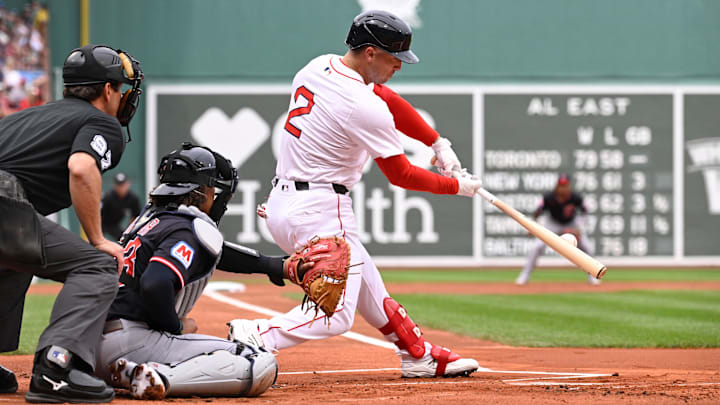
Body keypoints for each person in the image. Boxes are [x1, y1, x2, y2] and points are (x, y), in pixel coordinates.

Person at [228, 10, 483, 378]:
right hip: (321, 209)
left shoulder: (319, 66)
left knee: (365, 280)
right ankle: (259, 336)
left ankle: (417, 354)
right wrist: (456, 186)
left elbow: (387, 98)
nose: (400, 65)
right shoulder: (362, 107)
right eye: (394, 57)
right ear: (370, 53)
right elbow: (401, 174)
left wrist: (436, 142)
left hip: (286, 204)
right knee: (337, 314)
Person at [96, 143, 312, 399]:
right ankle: (157, 376)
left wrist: (275, 266)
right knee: (258, 361)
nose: (216, 196)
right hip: (132, 341)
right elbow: (156, 283)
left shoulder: (149, 219)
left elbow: (213, 248)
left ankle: (130, 372)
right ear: (201, 191)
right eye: (212, 188)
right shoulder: (186, 228)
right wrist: (174, 326)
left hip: (92, 344)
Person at [0, 44, 143, 403]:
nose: (123, 97)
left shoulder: (26, 118)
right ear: (107, 90)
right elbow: (81, 167)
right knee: (98, 267)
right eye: (121, 89)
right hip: (4, 204)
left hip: (10, 210)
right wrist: (97, 239)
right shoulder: (101, 122)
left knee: (14, 262)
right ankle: (56, 367)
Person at [515, 173, 599, 285]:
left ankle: (592, 275)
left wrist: (579, 227)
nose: (563, 188)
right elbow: (538, 212)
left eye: (565, 185)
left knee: (587, 247)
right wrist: (531, 227)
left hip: (571, 223)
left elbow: (585, 211)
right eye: (561, 185)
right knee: (537, 247)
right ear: (557, 186)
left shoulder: (576, 197)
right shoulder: (549, 197)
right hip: (552, 223)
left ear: (569, 186)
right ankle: (525, 275)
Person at [101, 172, 141, 241]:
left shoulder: (133, 198)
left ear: (128, 184)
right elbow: (98, 214)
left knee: (124, 240)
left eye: (123, 185)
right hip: (102, 224)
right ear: (115, 186)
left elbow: (135, 217)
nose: (121, 188)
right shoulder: (108, 197)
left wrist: (129, 231)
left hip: (115, 225)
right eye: (119, 185)